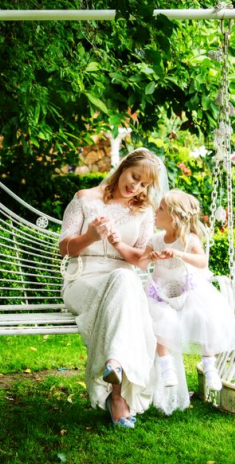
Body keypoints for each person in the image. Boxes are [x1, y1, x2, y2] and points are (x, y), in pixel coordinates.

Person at [59, 148, 163, 428]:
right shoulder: (84, 199)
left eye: (144, 185)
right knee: (124, 284)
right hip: (82, 278)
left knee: (125, 279)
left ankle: (114, 368)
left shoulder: (144, 212)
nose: (136, 187)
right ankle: (118, 395)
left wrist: (118, 244)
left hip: (123, 282)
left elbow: (139, 261)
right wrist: (90, 236)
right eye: (134, 177)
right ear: (122, 167)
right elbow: (63, 249)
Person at [138, 189, 235, 399]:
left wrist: (179, 253)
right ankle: (167, 367)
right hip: (161, 291)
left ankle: (210, 365)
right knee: (161, 320)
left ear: (174, 217)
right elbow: (141, 263)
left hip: (189, 287)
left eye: (160, 209)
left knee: (205, 318)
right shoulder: (155, 239)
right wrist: (150, 257)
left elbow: (202, 262)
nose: (155, 211)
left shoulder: (190, 239)